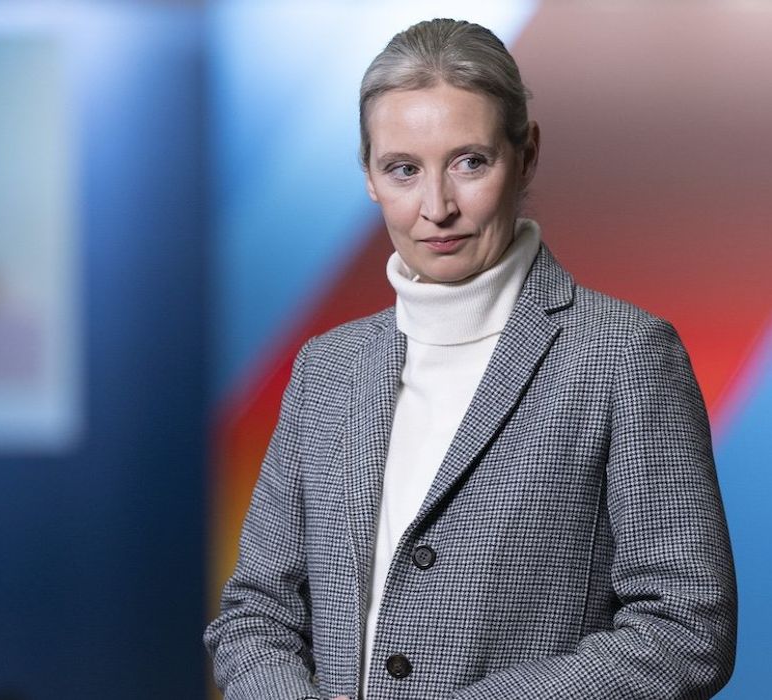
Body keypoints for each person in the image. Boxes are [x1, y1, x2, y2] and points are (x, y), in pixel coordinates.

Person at [204, 18, 737, 699]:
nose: (437, 207)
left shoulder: (624, 355)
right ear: (369, 176)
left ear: (527, 155)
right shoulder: (325, 369)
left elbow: (685, 631)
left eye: (469, 162)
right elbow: (256, 613)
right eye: (403, 170)